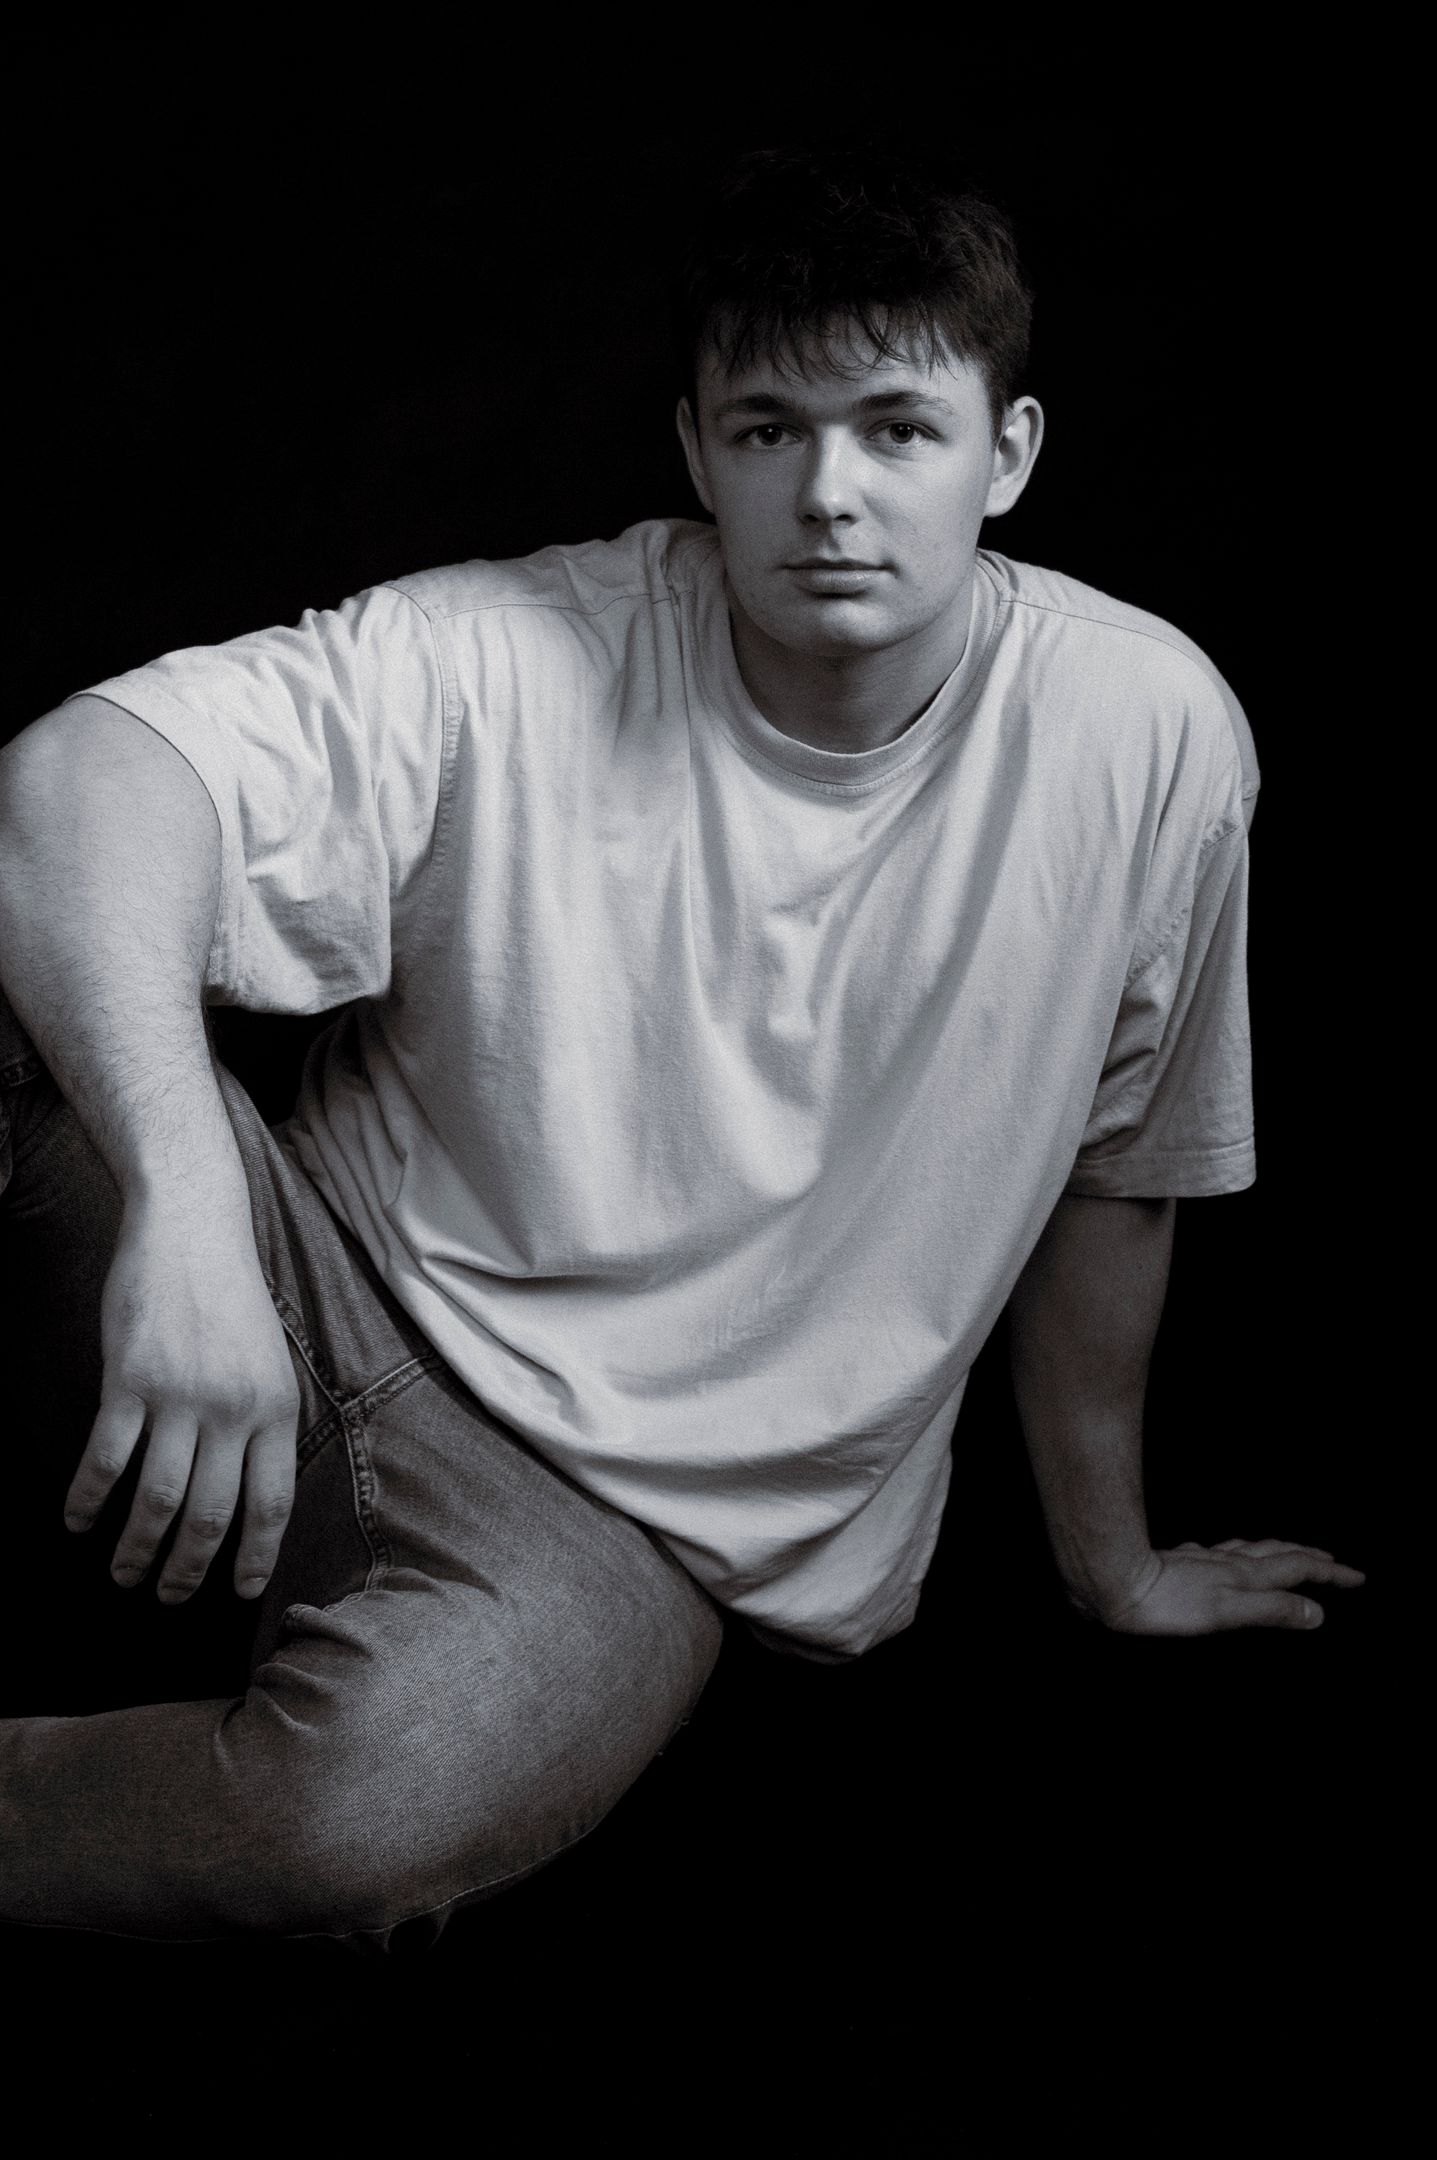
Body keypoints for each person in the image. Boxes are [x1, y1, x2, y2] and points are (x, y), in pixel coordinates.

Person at [0, 145, 1363, 1947]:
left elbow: (1122, 1165)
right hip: (317, 1283)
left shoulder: (1147, 733)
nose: (829, 495)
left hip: (625, 1527)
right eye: (768, 429)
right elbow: (80, 779)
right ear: (697, 452)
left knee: (366, 1816)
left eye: (897, 429)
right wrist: (187, 1217)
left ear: (1007, 453)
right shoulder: (515, 648)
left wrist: (1111, 1569)